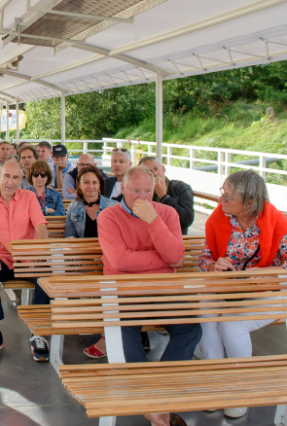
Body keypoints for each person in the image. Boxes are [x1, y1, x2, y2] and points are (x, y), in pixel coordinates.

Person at [198, 170, 287, 418]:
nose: (221, 201)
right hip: (229, 289)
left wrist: (274, 273)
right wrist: (213, 265)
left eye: (227, 197)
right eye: (222, 193)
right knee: (205, 313)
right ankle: (215, 385)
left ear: (249, 203)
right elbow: (205, 258)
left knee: (232, 325)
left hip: (270, 292)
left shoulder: (276, 224)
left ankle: (241, 392)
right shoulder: (219, 219)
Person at [95, 166, 199, 426]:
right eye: (135, 190)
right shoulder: (108, 217)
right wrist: (161, 261)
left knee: (191, 328)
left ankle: (154, 396)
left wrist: (153, 220)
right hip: (124, 292)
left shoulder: (167, 213)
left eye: (147, 191)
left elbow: (175, 257)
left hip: (164, 291)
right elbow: (119, 262)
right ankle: (157, 404)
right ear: (123, 190)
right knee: (121, 330)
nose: (142, 197)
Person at [0, 161, 50, 362]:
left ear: (21, 179)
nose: (10, 182)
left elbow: (41, 227)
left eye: (16, 177)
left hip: (27, 258)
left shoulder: (29, 198)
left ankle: (38, 333)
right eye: (7, 176)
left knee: (45, 277)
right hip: (1, 257)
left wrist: (39, 252)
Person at [138, 156, 195, 234]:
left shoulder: (181, 187)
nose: (154, 174)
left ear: (163, 169)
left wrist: (164, 196)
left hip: (177, 238)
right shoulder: (141, 193)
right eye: (149, 172)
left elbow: (187, 220)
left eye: (156, 169)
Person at [65, 166, 119, 239]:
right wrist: (71, 239)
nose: (91, 186)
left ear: (99, 185)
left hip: (106, 249)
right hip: (81, 249)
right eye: (86, 182)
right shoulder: (73, 207)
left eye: (95, 182)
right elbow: (69, 234)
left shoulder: (114, 206)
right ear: (79, 184)